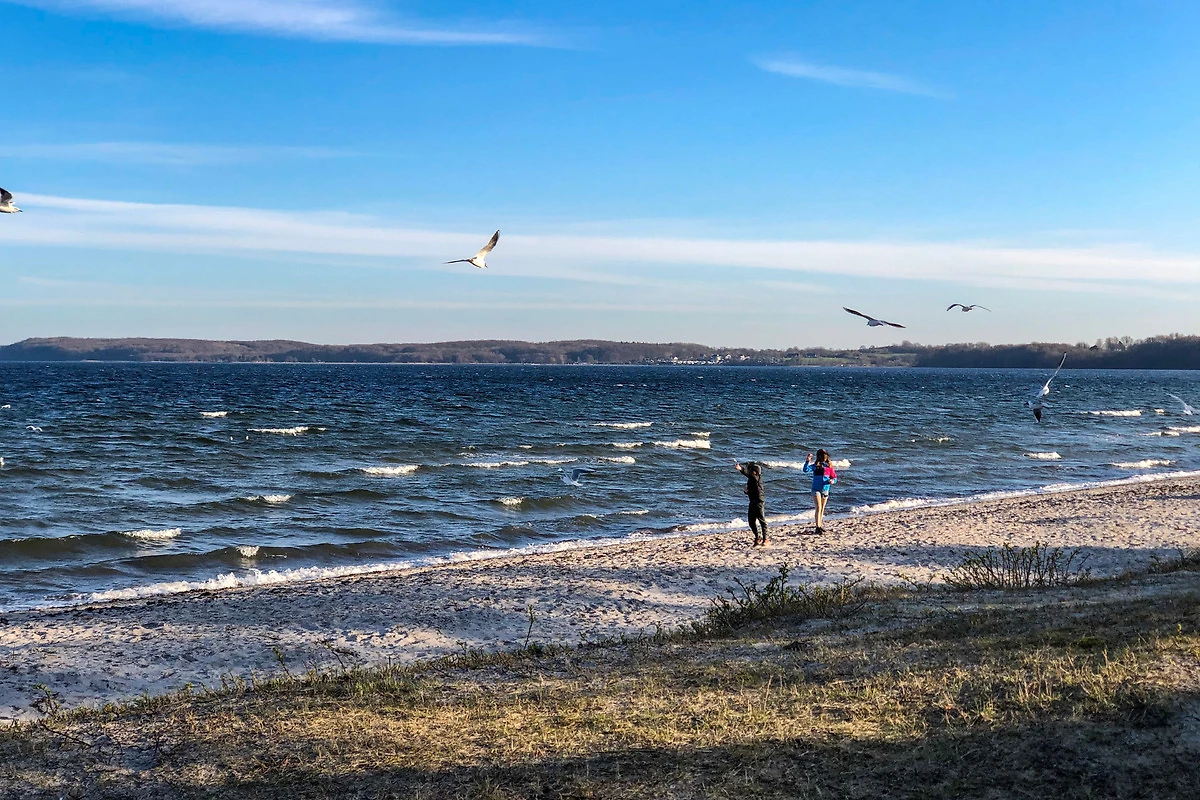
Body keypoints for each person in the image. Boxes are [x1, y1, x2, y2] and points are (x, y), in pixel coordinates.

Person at [802, 449, 837, 534]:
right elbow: (805, 470)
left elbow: (834, 477)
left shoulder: (829, 467)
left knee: (822, 508)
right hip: (816, 489)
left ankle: (820, 525)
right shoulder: (815, 466)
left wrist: (832, 481)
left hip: (825, 489)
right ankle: (817, 527)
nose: (823, 457)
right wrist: (807, 461)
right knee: (818, 507)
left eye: (824, 455)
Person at [734, 460, 768, 547]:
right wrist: (747, 491)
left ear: (755, 472)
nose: (750, 471)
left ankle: (765, 539)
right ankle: (757, 537)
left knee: (762, 520)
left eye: (752, 470)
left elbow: (748, 474)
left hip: (759, 501)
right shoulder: (752, 479)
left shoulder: (757, 478)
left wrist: (741, 469)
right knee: (751, 521)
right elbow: (751, 488)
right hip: (752, 501)